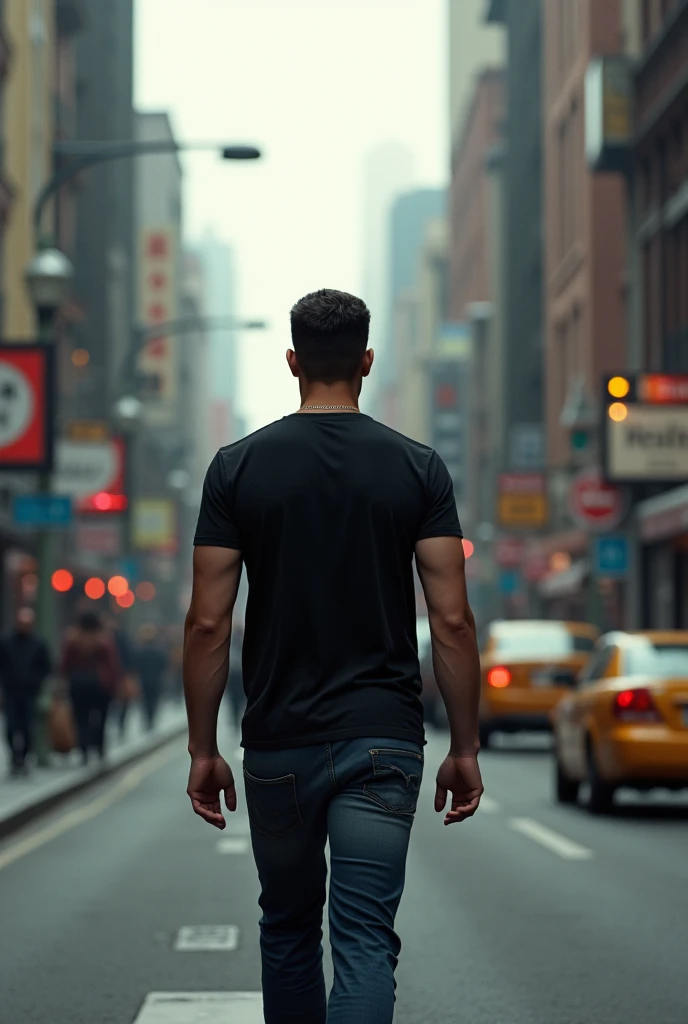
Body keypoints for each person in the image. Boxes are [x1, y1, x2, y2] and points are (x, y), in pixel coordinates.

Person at [184, 289, 483, 1024]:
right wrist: (466, 746)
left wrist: (202, 749)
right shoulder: (418, 468)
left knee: (287, 930)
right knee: (363, 940)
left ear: (292, 362)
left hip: (279, 737)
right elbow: (450, 618)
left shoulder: (236, 468)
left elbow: (206, 623)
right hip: (384, 737)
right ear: (368, 361)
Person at [60, 611, 120, 764]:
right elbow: (112, 664)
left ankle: (84, 751)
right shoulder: (104, 641)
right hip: (100, 685)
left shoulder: (73, 640)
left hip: (78, 684)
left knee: (81, 719)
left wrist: (63, 680)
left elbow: (65, 664)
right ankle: (99, 749)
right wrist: (115, 684)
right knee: (101, 719)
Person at [0, 608, 51, 776]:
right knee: (11, 727)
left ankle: (24, 758)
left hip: (30, 692)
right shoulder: (7, 642)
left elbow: (46, 667)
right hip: (11, 692)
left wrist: (36, 681)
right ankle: (14, 758)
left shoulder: (38, 643)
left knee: (28, 728)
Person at [134, 624, 168, 731]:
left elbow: (136, 665)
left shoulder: (140, 651)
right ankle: (151, 718)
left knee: (145, 701)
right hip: (156, 679)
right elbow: (164, 664)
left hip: (144, 679)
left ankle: (148, 718)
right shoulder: (158, 650)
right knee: (153, 700)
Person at [226, 620, 245, 731]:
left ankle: (237, 718)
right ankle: (235, 718)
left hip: (239, 675)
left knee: (238, 699)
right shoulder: (231, 644)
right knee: (234, 700)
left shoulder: (242, 642)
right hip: (234, 675)